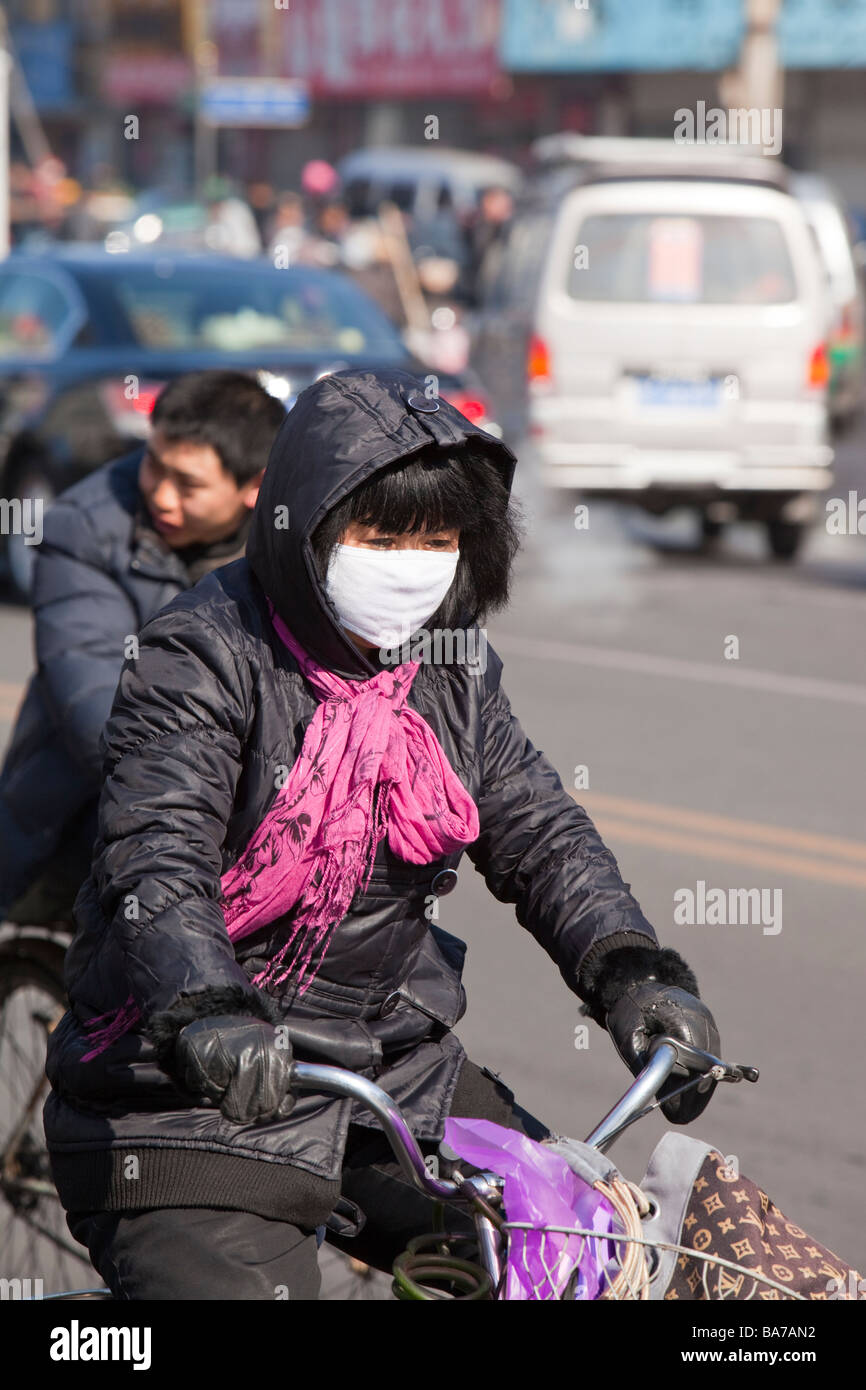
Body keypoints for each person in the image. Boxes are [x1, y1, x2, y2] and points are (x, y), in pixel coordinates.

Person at [43, 368, 863, 1301]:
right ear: (303, 529)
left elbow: (539, 830)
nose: (411, 563)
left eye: (435, 539)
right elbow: (158, 862)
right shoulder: (200, 654)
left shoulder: (450, 665)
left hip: (391, 1076)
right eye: (381, 535)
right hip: (185, 1100)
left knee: (583, 1260)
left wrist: (631, 970)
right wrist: (206, 1012)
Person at [0, 370, 286, 927]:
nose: (159, 493)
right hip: (82, 816)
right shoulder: (83, 526)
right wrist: (213, 801)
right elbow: (95, 704)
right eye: (154, 464)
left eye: (188, 483)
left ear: (255, 486)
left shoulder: (287, 537)